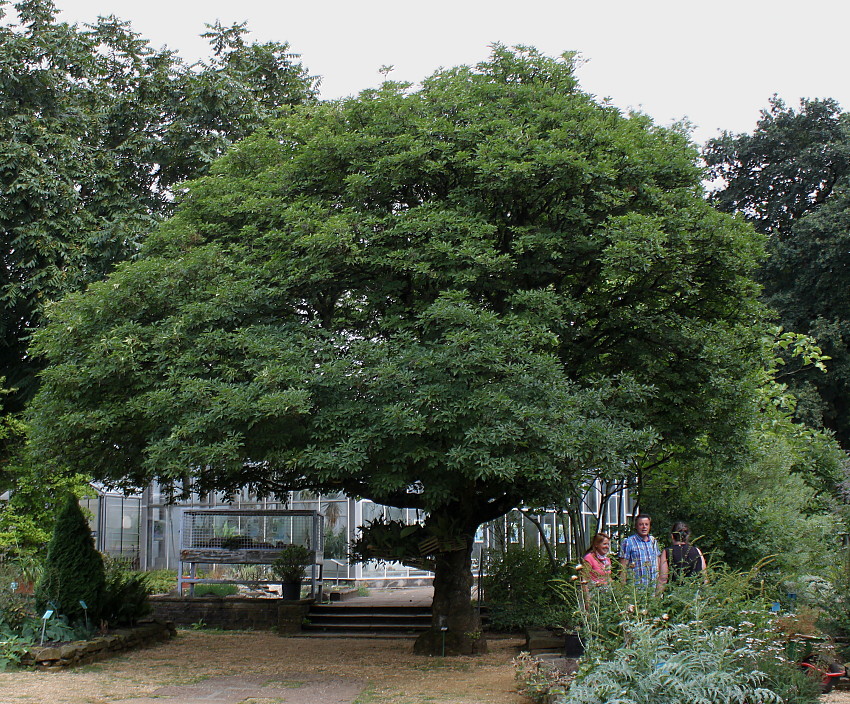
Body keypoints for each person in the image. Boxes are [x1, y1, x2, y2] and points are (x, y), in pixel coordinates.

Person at [657, 521, 706, 589]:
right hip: (694, 593)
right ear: (687, 536)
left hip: (674, 593)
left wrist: (657, 596)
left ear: (672, 536)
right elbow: (704, 575)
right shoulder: (697, 551)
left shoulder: (667, 552)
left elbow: (663, 578)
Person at [618, 514, 661, 588]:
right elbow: (623, 567)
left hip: (652, 587)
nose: (644, 527)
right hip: (636, 588)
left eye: (646, 524)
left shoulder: (653, 541)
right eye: (641, 524)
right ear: (636, 526)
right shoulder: (628, 542)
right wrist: (623, 588)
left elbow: (658, 562)